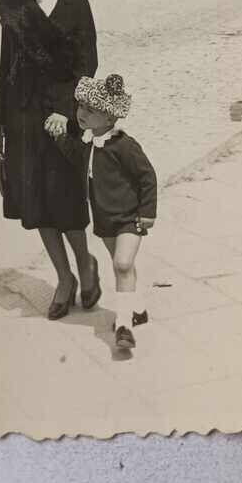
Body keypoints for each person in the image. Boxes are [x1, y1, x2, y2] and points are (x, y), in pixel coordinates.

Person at [0, 0, 101, 320]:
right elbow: (7, 66)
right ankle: (64, 278)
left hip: (64, 116)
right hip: (23, 116)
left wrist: (67, 111)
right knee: (37, 202)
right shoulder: (12, 5)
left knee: (67, 201)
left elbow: (88, 65)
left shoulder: (77, 4)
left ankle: (86, 266)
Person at [46, 73, 157, 353]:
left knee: (121, 264)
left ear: (109, 118)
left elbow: (147, 177)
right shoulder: (90, 145)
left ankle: (124, 327)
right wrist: (60, 138)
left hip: (130, 217)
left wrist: (147, 212)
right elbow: (75, 155)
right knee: (123, 266)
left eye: (90, 111)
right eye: (80, 107)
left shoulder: (124, 146)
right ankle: (138, 308)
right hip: (106, 219)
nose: (81, 114)